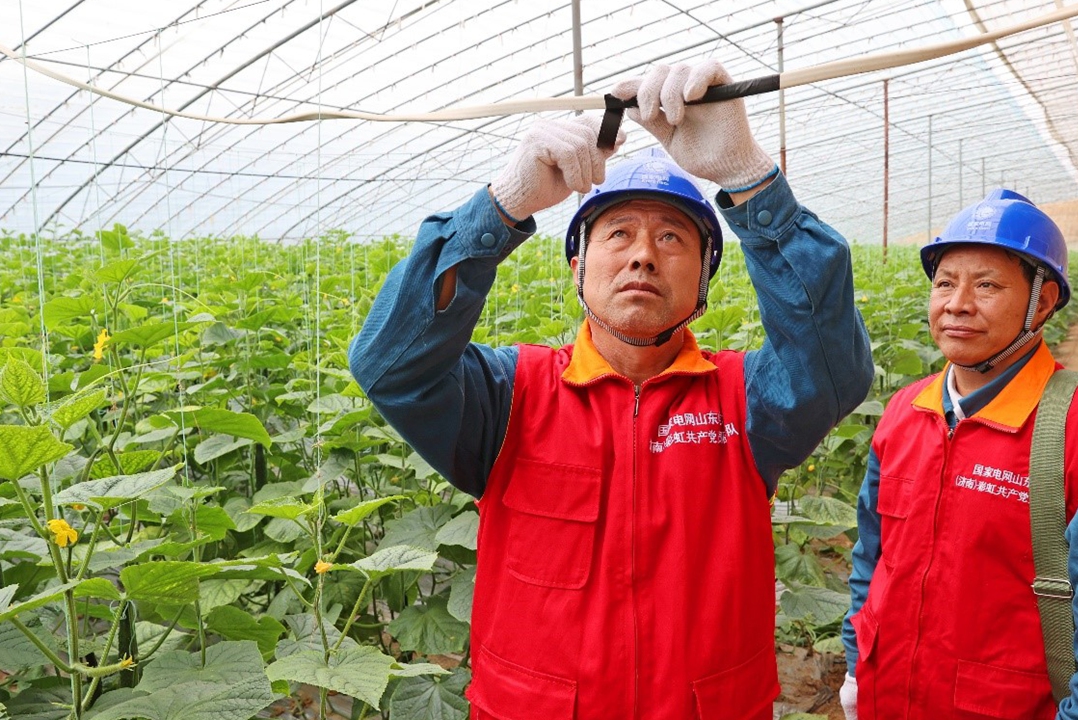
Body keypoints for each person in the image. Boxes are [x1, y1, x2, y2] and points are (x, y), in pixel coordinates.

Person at [350, 60, 872, 718]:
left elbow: (832, 368)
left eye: (672, 237)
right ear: (578, 268)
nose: (643, 255)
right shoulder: (508, 397)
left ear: (704, 284)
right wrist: (502, 204)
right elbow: (388, 365)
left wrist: (748, 176)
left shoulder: (746, 401)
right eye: (619, 233)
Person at [839, 188, 1078, 720]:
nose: (957, 304)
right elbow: (872, 558)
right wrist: (856, 663)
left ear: (1044, 302)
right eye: (945, 283)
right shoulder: (904, 413)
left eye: (986, 285)